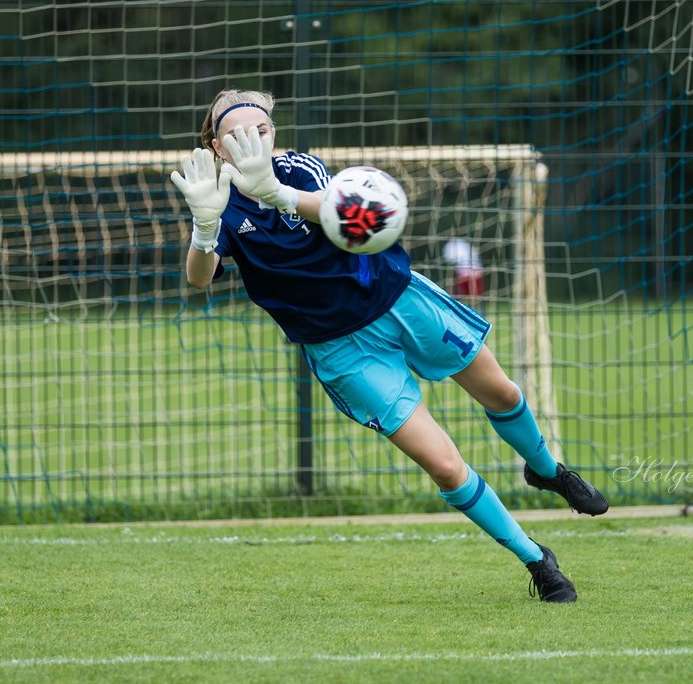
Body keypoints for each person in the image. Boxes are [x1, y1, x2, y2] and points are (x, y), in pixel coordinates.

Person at [170, 89, 608, 602]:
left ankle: (547, 470)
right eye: (235, 134)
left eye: (260, 130)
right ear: (216, 146)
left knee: (504, 395)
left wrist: (276, 193)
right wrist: (204, 228)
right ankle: (537, 559)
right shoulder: (214, 197)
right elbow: (199, 279)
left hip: (398, 300)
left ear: (274, 134)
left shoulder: (299, 171)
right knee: (445, 465)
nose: (251, 140)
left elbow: (353, 217)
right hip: (340, 350)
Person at [441, 236, 484, 307]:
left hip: (464, 272)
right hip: (477, 271)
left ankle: (458, 309)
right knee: (475, 296)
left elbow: (449, 259)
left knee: (461, 295)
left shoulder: (450, 246)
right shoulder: (464, 243)